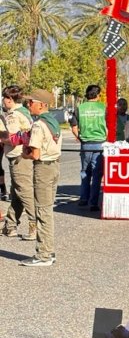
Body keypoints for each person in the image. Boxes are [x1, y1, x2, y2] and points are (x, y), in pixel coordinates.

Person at [19, 89, 62, 267]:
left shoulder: (38, 125)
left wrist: (25, 153)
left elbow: (35, 154)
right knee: (47, 210)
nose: (28, 105)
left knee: (42, 211)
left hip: (43, 168)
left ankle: (43, 255)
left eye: (31, 102)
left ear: (41, 104)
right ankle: (48, 250)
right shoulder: (53, 121)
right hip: (54, 166)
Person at [0, 85, 35, 240]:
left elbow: (13, 138)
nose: (3, 101)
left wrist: (1, 139)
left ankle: (35, 225)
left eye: (4, 98)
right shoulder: (24, 112)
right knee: (16, 193)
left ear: (10, 99)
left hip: (19, 156)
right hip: (22, 155)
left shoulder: (14, 115)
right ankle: (10, 225)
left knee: (24, 192)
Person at [69, 84, 107, 211]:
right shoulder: (103, 108)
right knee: (97, 174)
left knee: (85, 171)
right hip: (100, 143)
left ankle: (83, 198)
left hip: (85, 143)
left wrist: (80, 138)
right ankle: (93, 202)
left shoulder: (80, 108)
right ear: (98, 94)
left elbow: (74, 127)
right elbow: (109, 126)